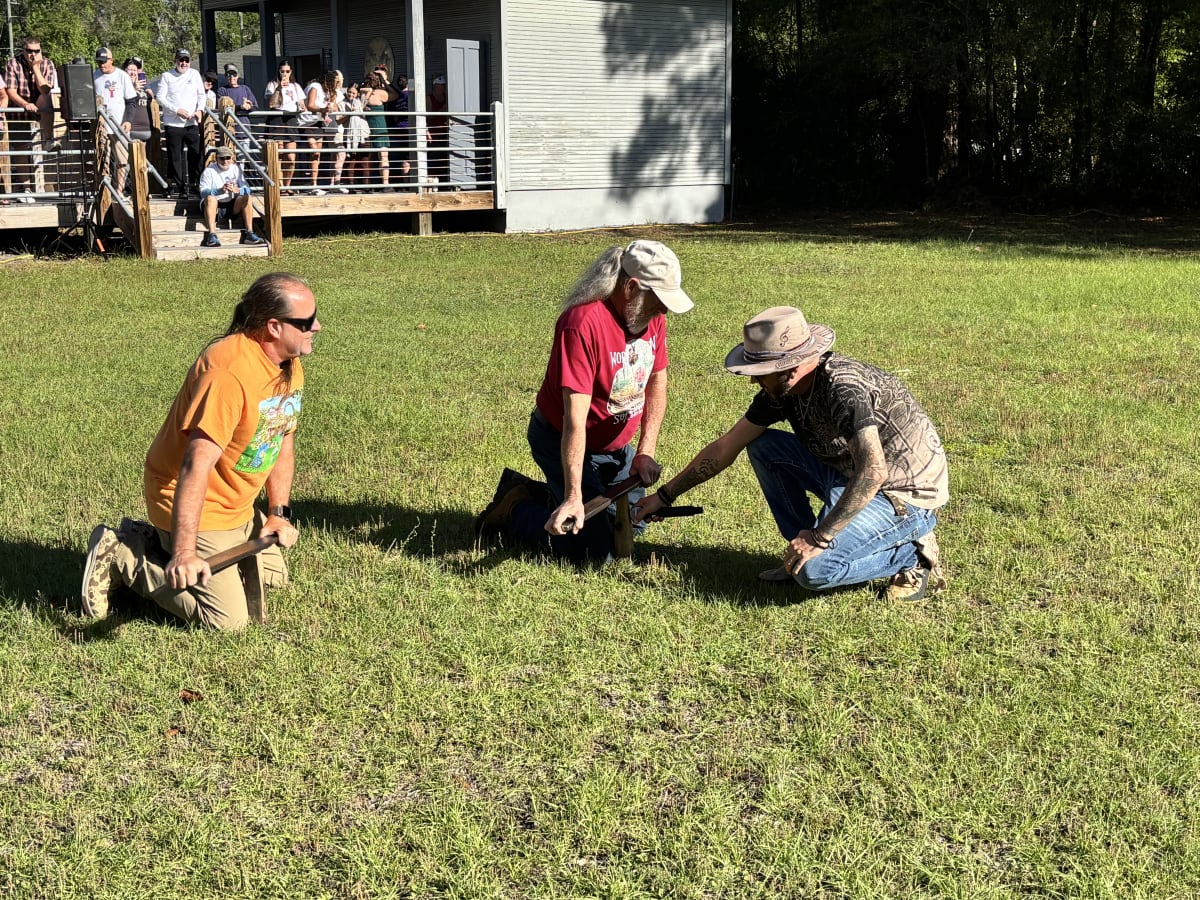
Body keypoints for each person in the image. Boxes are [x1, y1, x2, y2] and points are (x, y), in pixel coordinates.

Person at [632, 306, 950, 601]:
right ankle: (795, 554)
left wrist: (820, 538)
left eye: (762, 370)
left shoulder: (843, 388)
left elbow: (873, 473)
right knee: (762, 446)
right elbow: (726, 447)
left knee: (815, 572)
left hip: (903, 493)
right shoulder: (782, 390)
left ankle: (912, 554)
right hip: (848, 471)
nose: (755, 379)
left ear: (792, 368)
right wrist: (665, 496)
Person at [81, 273, 321, 630]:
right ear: (273, 327)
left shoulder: (286, 363)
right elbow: (195, 465)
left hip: (236, 504)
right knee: (228, 622)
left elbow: (281, 437)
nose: (317, 326)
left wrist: (278, 513)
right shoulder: (228, 375)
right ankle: (125, 555)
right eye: (306, 322)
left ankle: (164, 547)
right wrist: (184, 553)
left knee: (274, 580)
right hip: (195, 499)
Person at [474, 240, 694, 562]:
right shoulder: (581, 325)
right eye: (659, 302)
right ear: (631, 287)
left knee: (634, 521)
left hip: (615, 449)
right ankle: (515, 509)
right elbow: (575, 422)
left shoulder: (650, 319)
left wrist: (645, 452)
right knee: (593, 551)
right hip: (561, 439)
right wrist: (574, 495)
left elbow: (657, 381)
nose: (663, 311)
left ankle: (546, 495)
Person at [4, 36, 57, 202]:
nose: (33, 54)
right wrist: (26, 104)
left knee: (47, 99)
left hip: (40, 106)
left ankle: (48, 139)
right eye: (29, 51)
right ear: (23, 50)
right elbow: (10, 91)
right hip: (19, 110)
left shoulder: (47, 64)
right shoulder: (13, 63)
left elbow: (45, 90)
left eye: (36, 51)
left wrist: (36, 68)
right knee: (21, 149)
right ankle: (26, 189)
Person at [156, 49, 205, 198]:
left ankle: (195, 184)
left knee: (196, 155)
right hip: (173, 124)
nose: (183, 63)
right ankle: (181, 188)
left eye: (186, 60)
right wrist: (176, 110)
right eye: (180, 60)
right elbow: (160, 97)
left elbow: (201, 95)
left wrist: (200, 110)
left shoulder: (194, 74)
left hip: (191, 123)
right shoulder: (166, 76)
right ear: (175, 61)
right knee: (175, 157)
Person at [198, 145, 265, 247]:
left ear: (232, 158)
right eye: (222, 158)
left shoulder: (236, 169)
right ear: (216, 158)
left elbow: (248, 189)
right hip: (213, 205)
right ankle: (211, 234)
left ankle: (250, 233)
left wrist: (238, 190)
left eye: (228, 158)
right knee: (211, 198)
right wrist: (219, 190)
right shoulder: (209, 171)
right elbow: (203, 192)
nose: (225, 161)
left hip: (231, 204)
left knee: (246, 196)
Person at [92, 47, 136, 194]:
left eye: (104, 62)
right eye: (99, 62)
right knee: (103, 159)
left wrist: (128, 120)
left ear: (111, 60)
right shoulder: (94, 76)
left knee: (122, 159)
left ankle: (119, 190)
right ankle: (105, 190)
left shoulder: (122, 76)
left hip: (119, 125)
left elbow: (131, 101)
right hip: (101, 126)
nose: (102, 65)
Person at [264, 61, 305, 193]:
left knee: (291, 157)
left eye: (287, 71)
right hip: (276, 119)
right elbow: (272, 104)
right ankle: (280, 187)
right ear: (279, 71)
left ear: (291, 72)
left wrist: (302, 107)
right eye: (282, 71)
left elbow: (302, 104)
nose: (285, 74)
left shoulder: (296, 86)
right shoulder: (272, 84)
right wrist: (279, 88)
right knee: (279, 156)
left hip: (291, 119)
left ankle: (287, 186)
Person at [361, 69, 397, 189]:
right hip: (380, 127)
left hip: (367, 127)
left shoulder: (363, 93)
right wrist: (386, 82)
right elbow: (395, 95)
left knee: (370, 157)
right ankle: (385, 183)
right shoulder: (379, 93)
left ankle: (370, 184)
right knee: (384, 156)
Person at [217, 63, 256, 137]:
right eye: (229, 75)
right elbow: (223, 109)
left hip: (244, 131)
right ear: (225, 76)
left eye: (234, 74)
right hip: (228, 132)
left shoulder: (245, 89)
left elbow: (255, 106)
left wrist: (249, 106)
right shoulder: (222, 90)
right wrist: (241, 107)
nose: (232, 77)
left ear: (238, 75)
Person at [122, 57, 154, 142]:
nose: (133, 73)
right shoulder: (122, 85)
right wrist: (134, 89)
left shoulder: (143, 84)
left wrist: (150, 93)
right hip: (131, 130)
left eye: (135, 70)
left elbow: (151, 100)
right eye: (130, 70)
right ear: (125, 71)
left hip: (146, 131)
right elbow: (125, 101)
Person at [425, 74, 448, 185]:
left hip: (444, 131)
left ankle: (443, 181)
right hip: (433, 132)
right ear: (435, 86)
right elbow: (428, 115)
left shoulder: (446, 97)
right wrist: (441, 110)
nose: (443, 87)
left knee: (443, 157)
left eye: (444, 85)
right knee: (433, 157)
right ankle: (432, 181)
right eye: (441, 85)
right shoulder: (429, 98)